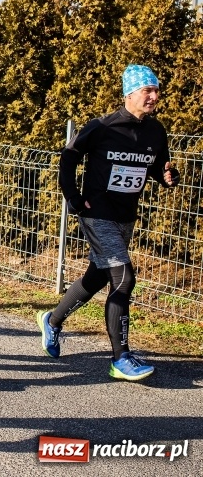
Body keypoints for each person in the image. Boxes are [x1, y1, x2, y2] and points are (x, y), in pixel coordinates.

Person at [38, 64, 180, 382]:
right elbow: (68, 157)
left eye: (156, 90)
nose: (154, 96)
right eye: (147, 90)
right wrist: (74, 197)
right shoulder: (102, 127)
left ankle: (52, 320)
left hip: (125, 215)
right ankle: (121, 358)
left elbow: (158, 166)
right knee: (123, 278)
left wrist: (167, 176)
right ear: (129, 93)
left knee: (98, 276)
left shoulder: (156, 131)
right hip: (97, 212)